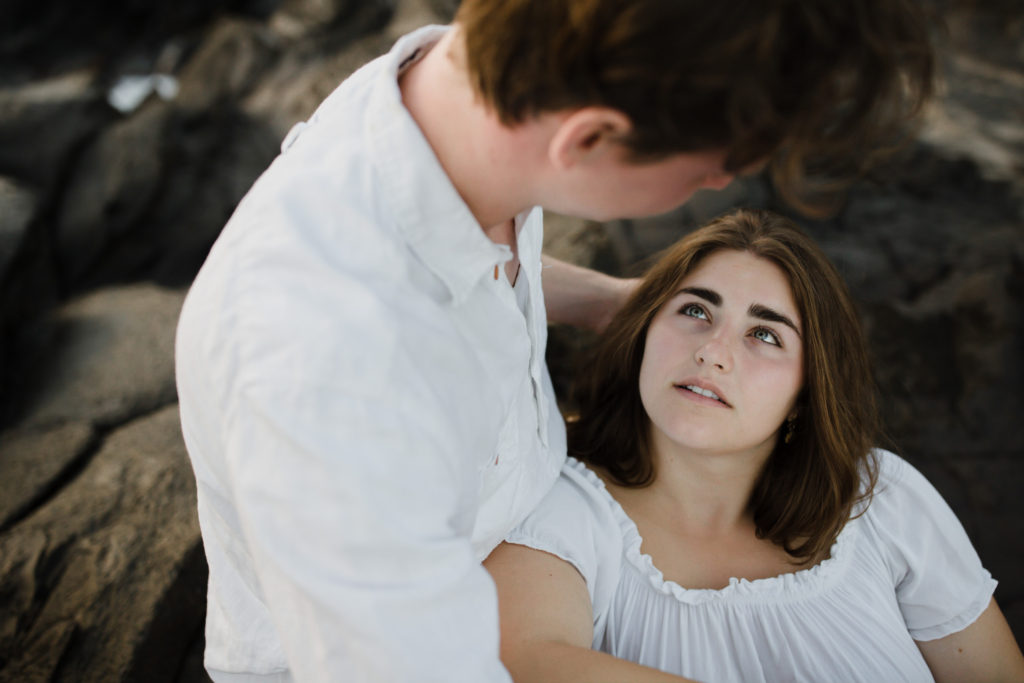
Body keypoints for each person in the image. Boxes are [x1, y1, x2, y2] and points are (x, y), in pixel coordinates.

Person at [175, 1, 935, 681]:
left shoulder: (455, 102)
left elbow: (444, 262)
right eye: (713, 169)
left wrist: (606, 301)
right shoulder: (326, 364)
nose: (713, 191)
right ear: (589, 139)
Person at [484, 209, 1024, 683]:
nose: (713, 353)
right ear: (644, 332)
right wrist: (611, 299)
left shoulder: (880, 497)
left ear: (805, 392)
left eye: (764, 334)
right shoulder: (557, 503)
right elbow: (523, 662)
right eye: (695, 310)